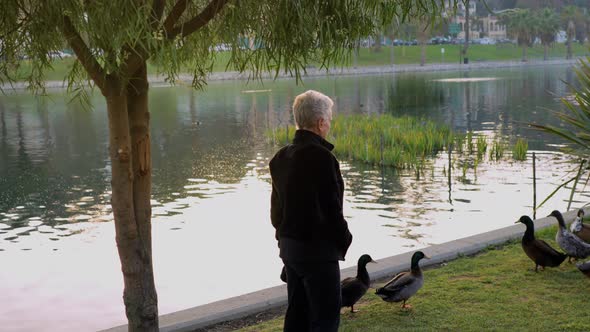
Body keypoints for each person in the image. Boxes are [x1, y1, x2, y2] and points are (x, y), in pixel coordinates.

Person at [269, 90, 353, 331]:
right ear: (320, 122)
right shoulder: (323, 158)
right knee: (325, 320)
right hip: (318, 252)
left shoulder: (280, 158)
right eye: (329, 119)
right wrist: (345, 239)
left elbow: (276, 213)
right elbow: (331, 209)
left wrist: (283, 242)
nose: (329, 123)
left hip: (290, 250)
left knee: (297, 316)